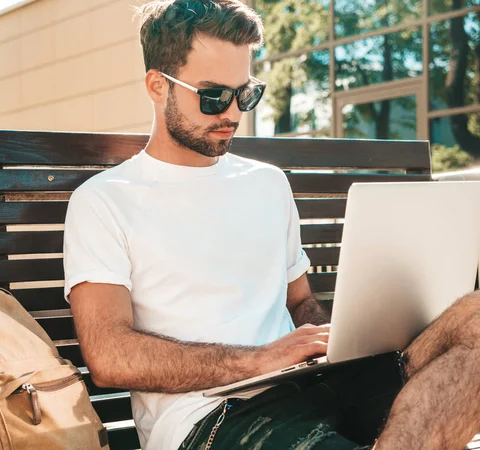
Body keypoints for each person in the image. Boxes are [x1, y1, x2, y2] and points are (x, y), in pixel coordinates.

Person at [63, 1, 480, 449]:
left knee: (474, 320)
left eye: (244, 94)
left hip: (316, 386)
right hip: (212, 418)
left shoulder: (266, 183)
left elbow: (299, 300)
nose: (232, 114)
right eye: (213, 96)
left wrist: (331, 340)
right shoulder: (105, 201)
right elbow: (108, 355)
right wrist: (260, 360)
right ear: (157, 86)